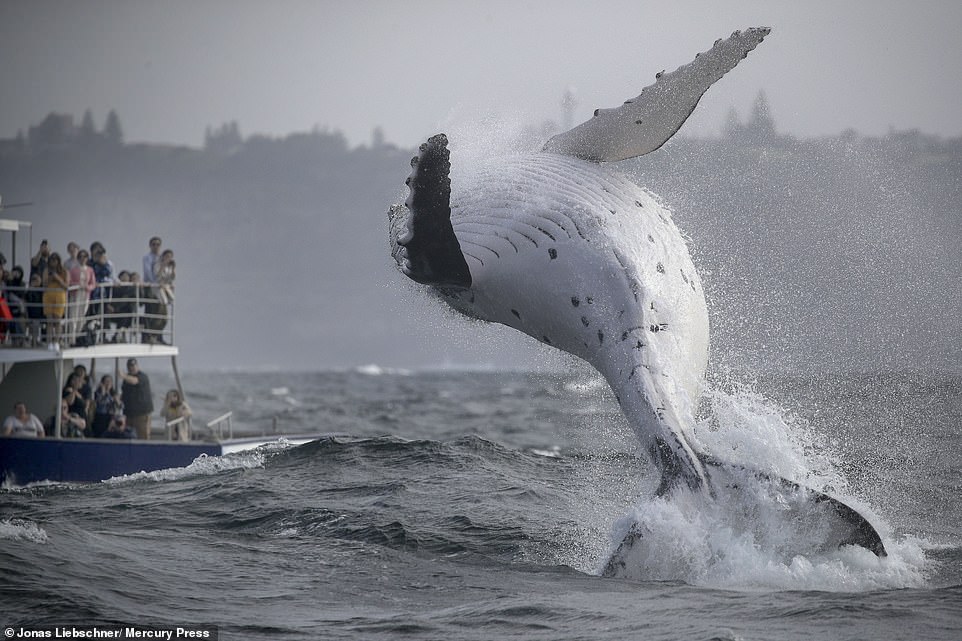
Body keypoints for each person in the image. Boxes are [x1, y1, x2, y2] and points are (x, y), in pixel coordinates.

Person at [67, 248, 96, 345]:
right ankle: (72, 339)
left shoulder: (90, 270)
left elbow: (93, 283)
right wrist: (77, 285)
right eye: (81, 257)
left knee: (81, 317)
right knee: (73, 316)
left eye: (85, 257)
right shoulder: (73, 270)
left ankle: (79, 337)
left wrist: (87, 287)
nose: (83, 259)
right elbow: (69, 282)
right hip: (76, 294)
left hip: (85, 295)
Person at [121, 358, 153, 439]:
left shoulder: (142, 376)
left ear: (137, 366)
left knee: (142, 435)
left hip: (141, 414)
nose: (131, 368)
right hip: (129, 413)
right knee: (128, 435)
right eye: (129, 366)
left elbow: (134, 381)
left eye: (133, 365)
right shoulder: (126, 380)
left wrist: (123, 376)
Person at [41, 252, 69, 347]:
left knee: (57, 321)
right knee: (49, 321)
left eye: (55, 260)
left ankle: (56, 341)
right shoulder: (46, 270)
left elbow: (66, 286)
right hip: (48, 296)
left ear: (59, 261)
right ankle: (49, 342)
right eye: (52, 260)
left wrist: (57, 278)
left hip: (59, 296)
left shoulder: (64, 271)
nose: (53, 262)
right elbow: (44, 284)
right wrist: (50, 277)